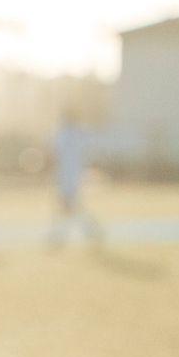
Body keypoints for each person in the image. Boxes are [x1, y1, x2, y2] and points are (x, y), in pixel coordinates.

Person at [46, 106, 104, 250]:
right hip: (74, 177)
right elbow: (90, 150)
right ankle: (88, 233)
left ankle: (60, 237)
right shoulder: (79, 134)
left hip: (67, 179)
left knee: (68, 209)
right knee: (71, 209)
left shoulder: (63, 134)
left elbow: (54, 154)